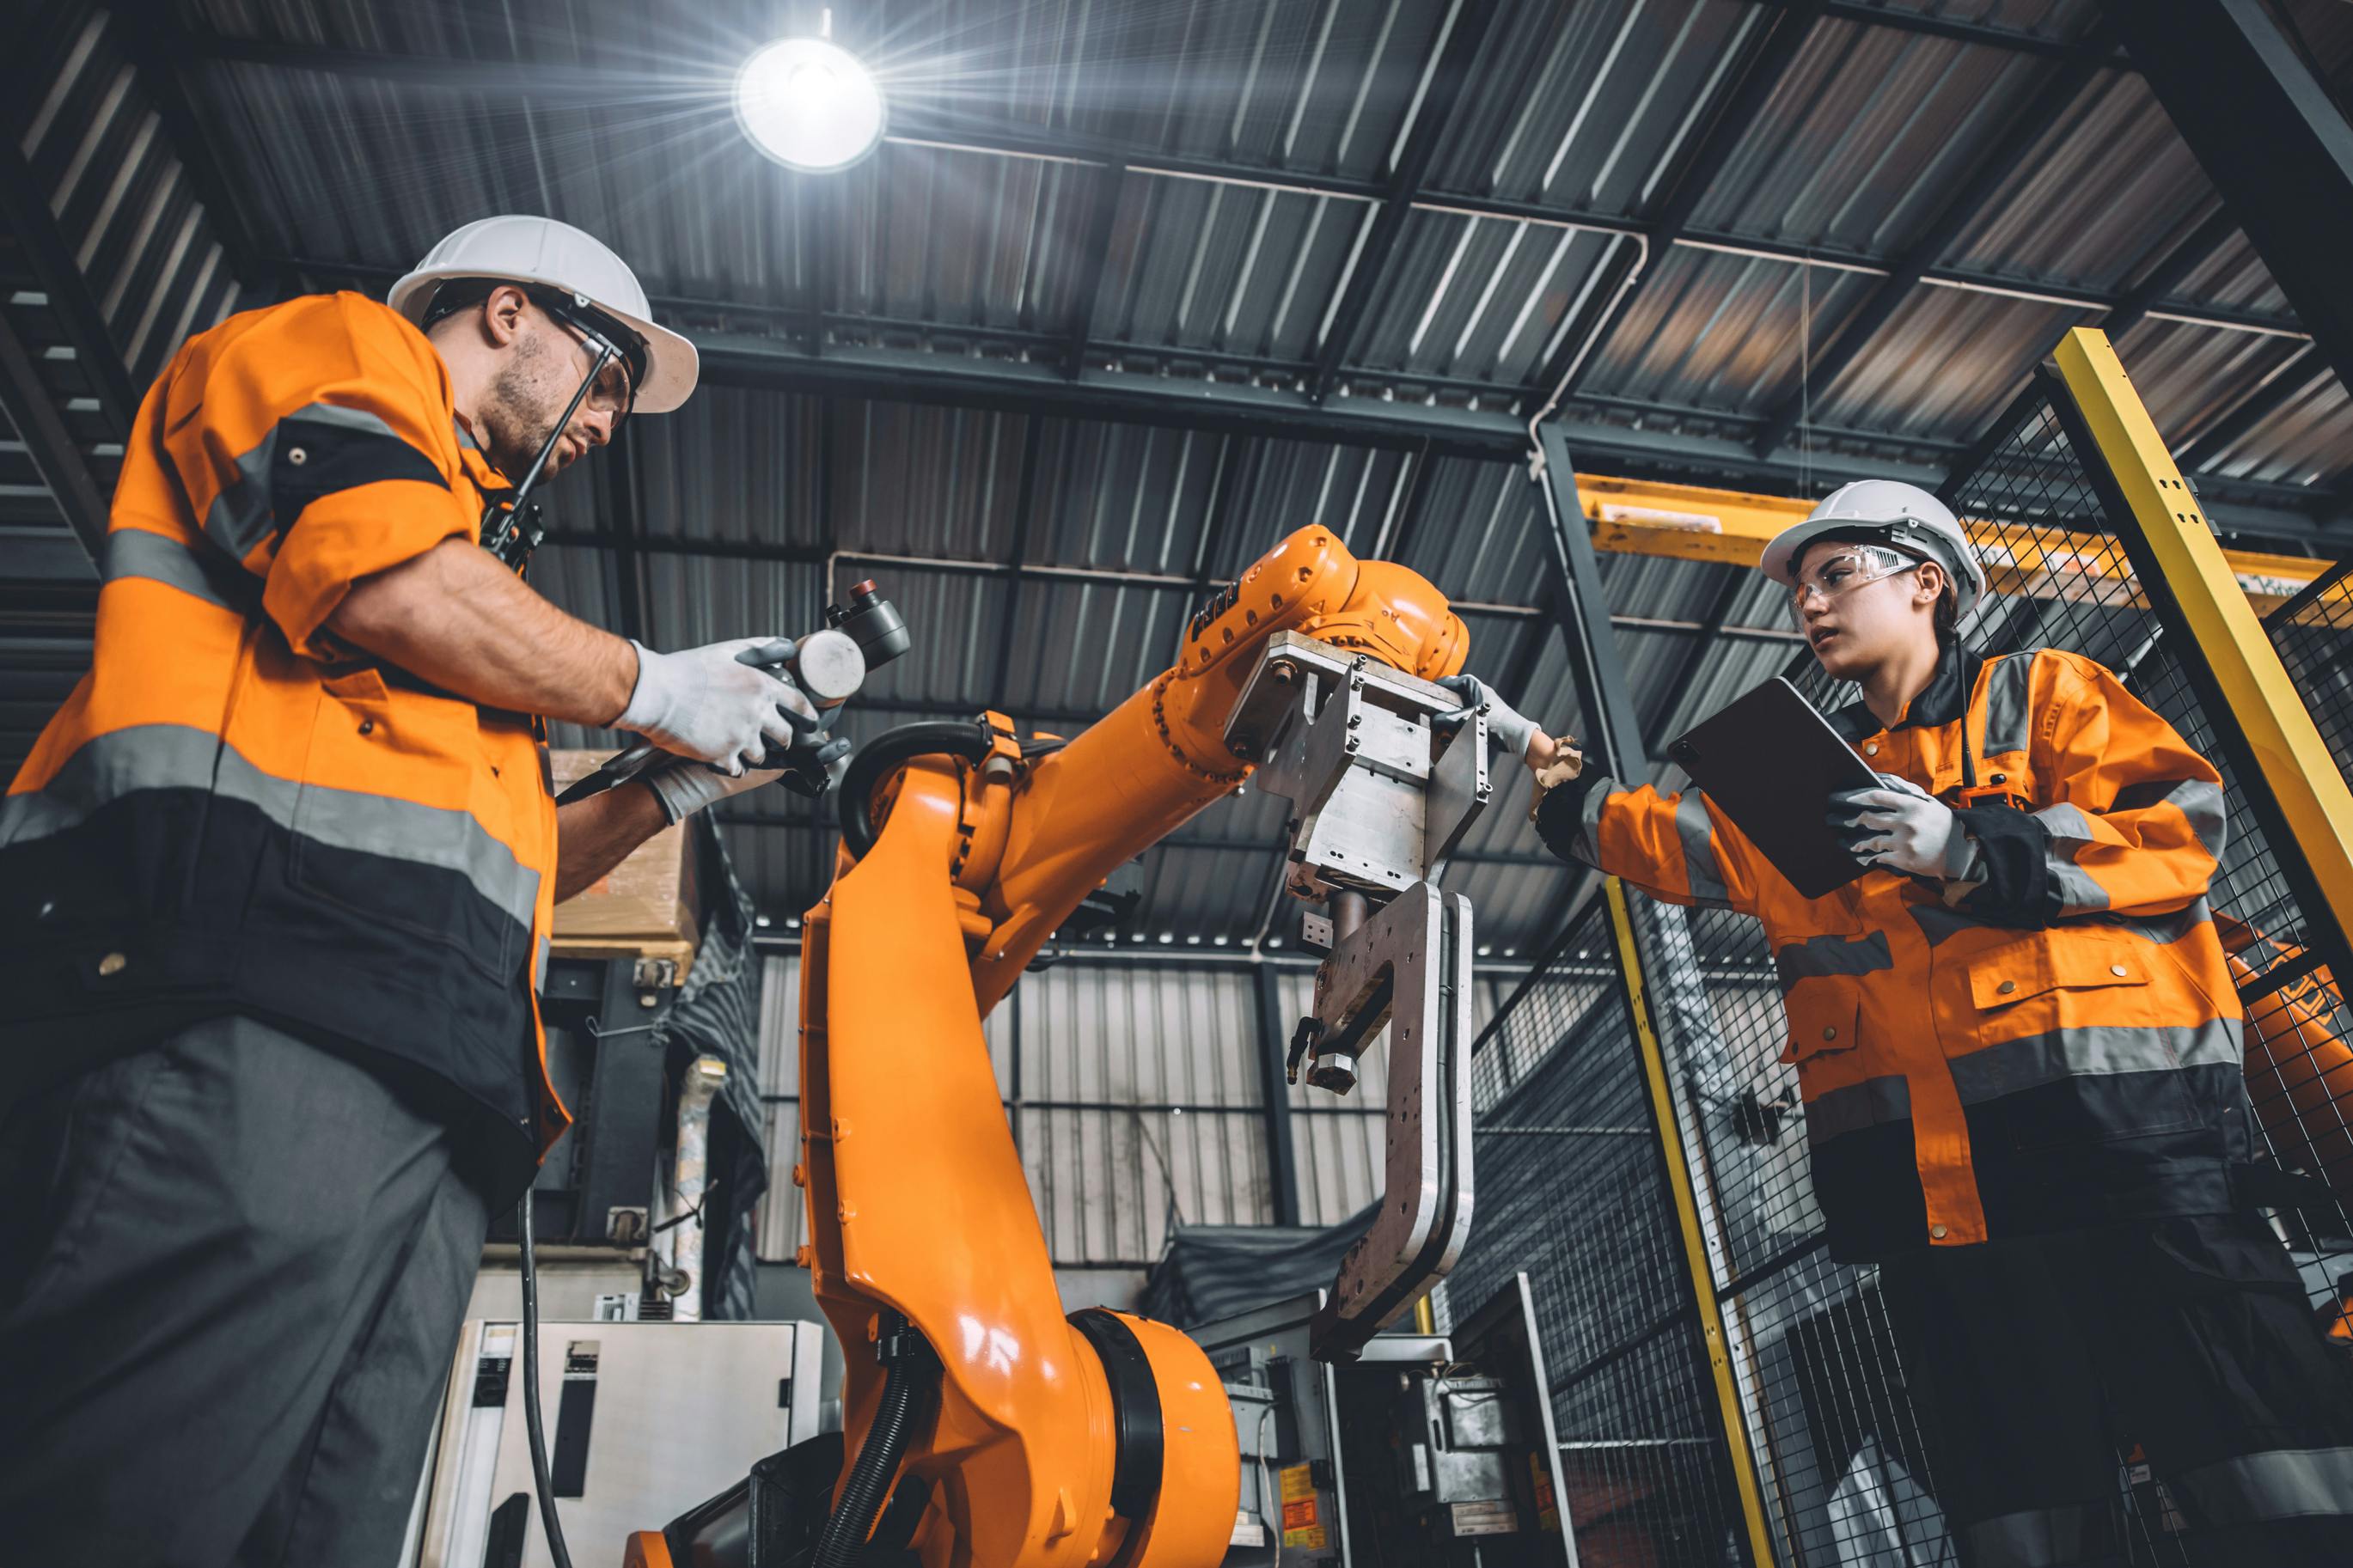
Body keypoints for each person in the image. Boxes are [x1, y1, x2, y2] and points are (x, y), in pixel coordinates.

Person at [0, 216, 839, 1564]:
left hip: (427, 1091)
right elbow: (384, 577)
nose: (609, 421)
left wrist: (667, 781)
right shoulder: (338, 347)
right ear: (508, 313)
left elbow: (517, 880)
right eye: (608, 374)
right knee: (130, 1503)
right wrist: (654, 684)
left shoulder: (478, 620)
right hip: (249, 1022)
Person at [1450, 479, 2353, 1564]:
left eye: (1836, 575)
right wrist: (1559, 788)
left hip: (2135, 1180)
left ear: (1926, 580)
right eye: (1797, 591)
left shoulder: (2048, 697)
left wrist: (1971, 848)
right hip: (1949, 1229)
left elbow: (2179, 827)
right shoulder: (1814, 794)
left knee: (2271, 1483)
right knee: (2024, 1523)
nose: (1810, 605)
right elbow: (1686, 845)